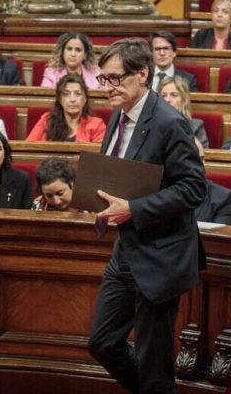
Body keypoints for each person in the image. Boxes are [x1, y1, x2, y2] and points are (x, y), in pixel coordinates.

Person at [88, 38, 206, 393]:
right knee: (102, 343)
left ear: (142, 74)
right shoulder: (118, 115)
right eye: (103, 79)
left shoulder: (170, 122)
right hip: (127, 250)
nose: (107, 87)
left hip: (162, 256)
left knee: (154, 364)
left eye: (115, 78)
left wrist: (133, 209)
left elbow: (193, 188)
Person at [26, 73, 106, 142]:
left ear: (85, 99)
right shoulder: (46, 121)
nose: (72, 99)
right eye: (66, 94)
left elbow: (98, 154)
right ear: (60, 99)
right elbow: (28, 148)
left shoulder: (96, 125)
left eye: (78, 94)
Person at [194, 138, 231, 225]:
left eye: (202, 159)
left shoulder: (222, 198)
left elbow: (223, 233)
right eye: (194, 159)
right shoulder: (164, 192)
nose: (202, 165)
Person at [157, 75, 209, 147]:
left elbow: (201, 152)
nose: (167, 100)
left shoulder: (196, 126)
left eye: (174, 95)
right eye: (163, 96)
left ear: (184, 100)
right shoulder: (150, 124)